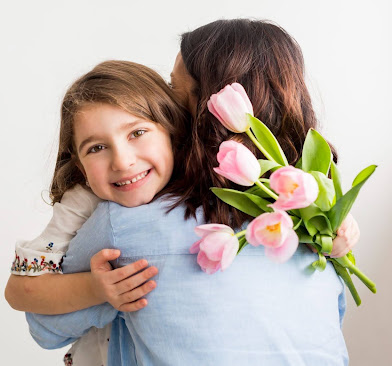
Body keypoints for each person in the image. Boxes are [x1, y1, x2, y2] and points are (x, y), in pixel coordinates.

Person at [22, 19, 359, 365]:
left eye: (173, 89)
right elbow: (334, 314)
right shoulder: (317, 228)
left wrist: (100, 293)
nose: (166, 100)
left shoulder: (124, 222)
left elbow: (45, 327)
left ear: (204, 107)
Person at [5, 60, 189, 365]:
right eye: (96, 148)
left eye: (137, 132)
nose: (122, 161)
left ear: (172, 131)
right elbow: (19, 289)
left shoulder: (204, 190)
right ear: (80, 167)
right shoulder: (84, 201)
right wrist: (95, 288)